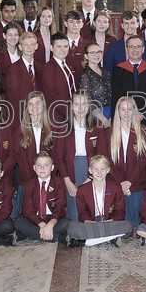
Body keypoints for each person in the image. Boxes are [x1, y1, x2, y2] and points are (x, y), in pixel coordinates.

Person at [54, 91, 109, 221]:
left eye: (84, 104)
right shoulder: (63, 127)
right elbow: (59, 156)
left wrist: (90, 178)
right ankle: (75, 231)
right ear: (72, 106)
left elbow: (102, 155)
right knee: (73, 202)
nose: (80, 108)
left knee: (90, 202)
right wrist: (67, 181)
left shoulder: (97, 126)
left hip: (92, 170)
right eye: (77, 104)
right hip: (69, 169)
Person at [66, 155, 134, 247]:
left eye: (103, 169)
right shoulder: (82, 190)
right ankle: (110, 238)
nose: (99, 172)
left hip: (109, 222)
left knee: (129, 226)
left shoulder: (116, 188)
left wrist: (109, 221)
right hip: (91, 223)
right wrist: (90, 222)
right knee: (71, 227)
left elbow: (120, 212)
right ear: (90, 170)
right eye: (95, 169)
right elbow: (82, 214)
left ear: (108, 170)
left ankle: (87, 242)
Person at [108, 96, 146, 226]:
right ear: (118, 111)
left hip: (136, 181)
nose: (126, 113)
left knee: (137, 220)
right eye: (123, 109)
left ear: (134, 111)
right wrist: (120, 183)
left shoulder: (143, 132)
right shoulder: (108, 133)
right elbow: (107, 161)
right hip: (116, 182)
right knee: (121, 220)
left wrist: (129, 181)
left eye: (130, 109)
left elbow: (143, 160)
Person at [15, 151, 69, 243]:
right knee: (18, 223)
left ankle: (31, 234)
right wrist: (43, 225)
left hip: (53, 217)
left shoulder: (59, 182)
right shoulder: (29, 183)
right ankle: (58, 237)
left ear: (52, 167)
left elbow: (60, 207)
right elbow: (28, 210)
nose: (42, 168)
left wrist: (50, 225)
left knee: (66, 224)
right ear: (34, 168)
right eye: (39, 165)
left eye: (46, 165)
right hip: (35, 219)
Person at [15, 91, 53, 214]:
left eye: (37, 103)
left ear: (43, 105)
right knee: (26, 214)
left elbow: (56, 154)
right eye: (30, 104)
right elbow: (18, 155)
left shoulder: (52, 128)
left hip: (47, 178)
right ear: (27, 108)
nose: (34, 107)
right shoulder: (20, 129)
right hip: (26, 177)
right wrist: (31, 176)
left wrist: (45, 174)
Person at [110, 34, 146, 124]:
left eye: (138, 47)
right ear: (126, 49)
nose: (135, 50)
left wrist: (145, 114)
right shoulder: (118, 70)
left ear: (143, 49)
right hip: (125, 118)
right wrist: (130, 113)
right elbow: (117, 96)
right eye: (131, 47)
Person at [3, 31, 39, 121]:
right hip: (21, 114)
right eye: (25, 45)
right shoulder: (13, 69)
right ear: (20, 47)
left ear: (36, 46)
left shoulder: (41, 67)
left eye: (32, 44)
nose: (29, 47)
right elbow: (13, 97)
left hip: (39, 113)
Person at [39, 33, 75, 121]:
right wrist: (70, 115)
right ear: (51, 48)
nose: (63, 50)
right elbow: (51, 97)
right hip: (57, 117)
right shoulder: (47, 68)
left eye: (65, 46)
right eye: (59, 47)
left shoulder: (70, 65)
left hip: (74, 113)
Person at [78, 40, 112, 124]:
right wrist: (104, 120)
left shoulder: (105, 72)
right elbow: (87, 101)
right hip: (96, 116)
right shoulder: (85, 75)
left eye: (99, 52)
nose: (97, 55)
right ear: (86, 56)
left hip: (111, 112)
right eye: (92, 53)